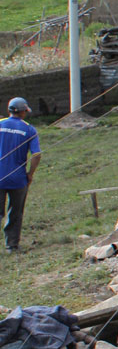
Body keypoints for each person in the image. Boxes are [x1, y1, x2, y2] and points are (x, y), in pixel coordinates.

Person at [0, 97, 41, 252]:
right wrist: (30, 174)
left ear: (9, 110)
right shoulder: (29, 129)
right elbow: (36, 154)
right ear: (23, 112)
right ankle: (12, 246)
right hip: (18, 179)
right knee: (15, 213)